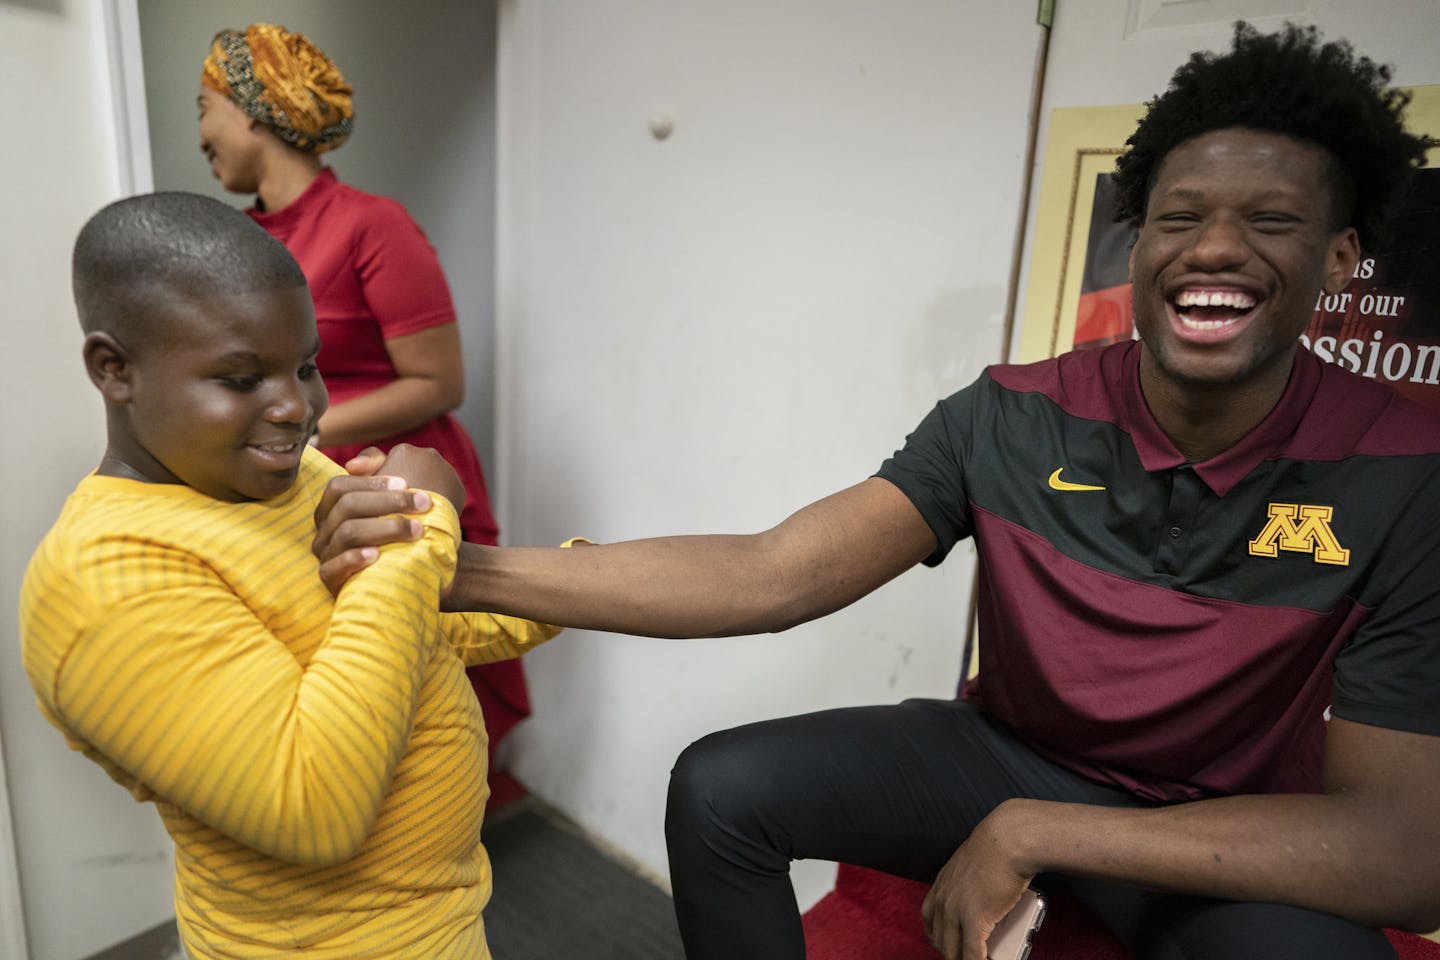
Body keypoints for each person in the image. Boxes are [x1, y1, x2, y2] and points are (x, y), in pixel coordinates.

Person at [317, 21, 1440, 960]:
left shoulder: (1404, 467)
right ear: (1138, 242)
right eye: (1181, 217)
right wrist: (458, 568)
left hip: (1222, 819)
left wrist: (1039, 835)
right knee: (723, 788)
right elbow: (775, 571)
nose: (1217, 248)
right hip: (1011, 752)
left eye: (1273, 222)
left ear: (1341, 260)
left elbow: (1404, 854)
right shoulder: (1014, 410)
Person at [19, 192, 563, 959]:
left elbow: (383, 637)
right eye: (242, 380)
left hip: (442, 923)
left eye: (304, 366)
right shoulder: (100, 580)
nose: (298, 410)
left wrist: (567, 588)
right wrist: (422, 529)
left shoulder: (277, 472)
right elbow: (315, 805)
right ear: (115, 369)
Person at [196, 22, 533, 784]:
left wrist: (293, 429)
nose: (202, 133)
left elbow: (439, 382)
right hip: (294, 485)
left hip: (392, 479)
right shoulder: (238, 241)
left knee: (432, 696)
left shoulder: (370, 224)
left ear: (254, 108)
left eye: (205, 107)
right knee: (344, 689)